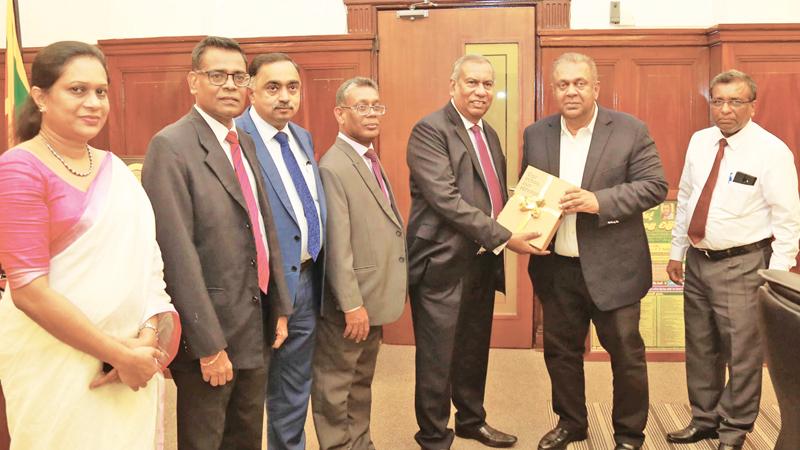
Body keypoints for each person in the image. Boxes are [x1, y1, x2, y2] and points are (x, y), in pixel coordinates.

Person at [0, 40, 179, 450]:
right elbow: (29, 291)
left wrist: (146, 342)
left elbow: (149, 265)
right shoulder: (19, 169)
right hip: (53, 361)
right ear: (41, 97)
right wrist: (118, 354)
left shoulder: (115, 170)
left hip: (131, 360)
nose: (94, 102)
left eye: (101, 91)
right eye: (77, 90)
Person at [141, 36, 292, 450]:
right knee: (207, 440)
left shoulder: (241, 139)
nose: (230, 85)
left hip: (255, 321)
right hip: (211, 330)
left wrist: (279, 304)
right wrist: (208, 345)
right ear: (193, 81)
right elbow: (176, 253)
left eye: (238, 76)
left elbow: (263, 228)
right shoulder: (171, 146)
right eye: (217, 75)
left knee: (245, 437)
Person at [523, 52, 667, 450]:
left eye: (580, 83)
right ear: (553, 89)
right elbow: (529, 190)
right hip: (557, 268)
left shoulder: (629, 130)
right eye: (563, 84)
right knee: (561, 353)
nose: (571, 91)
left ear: (595, 87)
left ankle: (628, 434)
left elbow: (654, 185)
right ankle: (571, 423)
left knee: (626, 356)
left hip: (614, 267)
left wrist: (596, 201)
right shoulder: (537, 134)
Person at [407, 54, 542, 450]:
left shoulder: (489, 134)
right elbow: (446, 200)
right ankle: (433, 436)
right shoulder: (430, 131)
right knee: (437, 356)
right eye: (472, 83)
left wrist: (523, 216)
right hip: (441, 264)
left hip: (481, 260)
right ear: (453, 86)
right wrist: (504, 235)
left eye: (487, 84)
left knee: (471, 348)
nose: (481, 91)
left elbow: (491, 197)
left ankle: (470, 420)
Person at [666, 70, 800, 450]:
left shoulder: (771, 151)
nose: (725, 110)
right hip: (698, 259)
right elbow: (688, 197)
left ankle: (735, 428)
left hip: (743, 264)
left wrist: (774, 277)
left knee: (743, 352)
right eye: (718, 101)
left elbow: (788, 220)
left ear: (752, 107)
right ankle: (704, 419)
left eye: (735, 102)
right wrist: (678, 251)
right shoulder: (700, 141)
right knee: (700, 343)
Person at [236, 52, 325, 450]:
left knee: (294, 387)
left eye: (292, 87)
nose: (284, 97)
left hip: (306, 279)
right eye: (273, 87)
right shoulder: (235, 138)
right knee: (249, 395)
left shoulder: (301, 136)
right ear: (249, 88)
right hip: (259, 290)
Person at [312, 77, 407, 450]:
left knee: (360, 383)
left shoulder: (367, 156)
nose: (372, 114)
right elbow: (336, 246)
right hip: (351, 306)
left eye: (376, 106)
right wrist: (352, 305)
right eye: (361, 106)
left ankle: (361, 444)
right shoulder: (334, 165)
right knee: (335, 387)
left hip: (372, 300)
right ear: (340, 114)